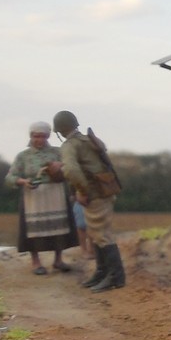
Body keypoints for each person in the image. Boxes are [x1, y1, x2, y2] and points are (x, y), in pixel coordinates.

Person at [54, 110, 127, 293]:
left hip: (94, 194)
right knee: (95, 233)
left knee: (101, 235)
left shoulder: (69, 145)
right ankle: (103, 272)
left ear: (60, 130)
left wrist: (82, 191)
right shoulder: (88, 140)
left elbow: (71, 170)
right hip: (105, 190)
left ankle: (115, 277)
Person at [3, 121, 79, 275]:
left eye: (43, 136)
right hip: (34, 197)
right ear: (31, 136)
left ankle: (58, 260)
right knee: (34, 230)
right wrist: (24, 181)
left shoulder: (57, 152)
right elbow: (10, 177)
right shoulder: (23, 156)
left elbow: (71, 167)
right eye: (36, 136)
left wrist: (60, 166)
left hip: (55, 193)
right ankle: (36, 262)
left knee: (58, 227)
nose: (39, 140)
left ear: (48, 136)